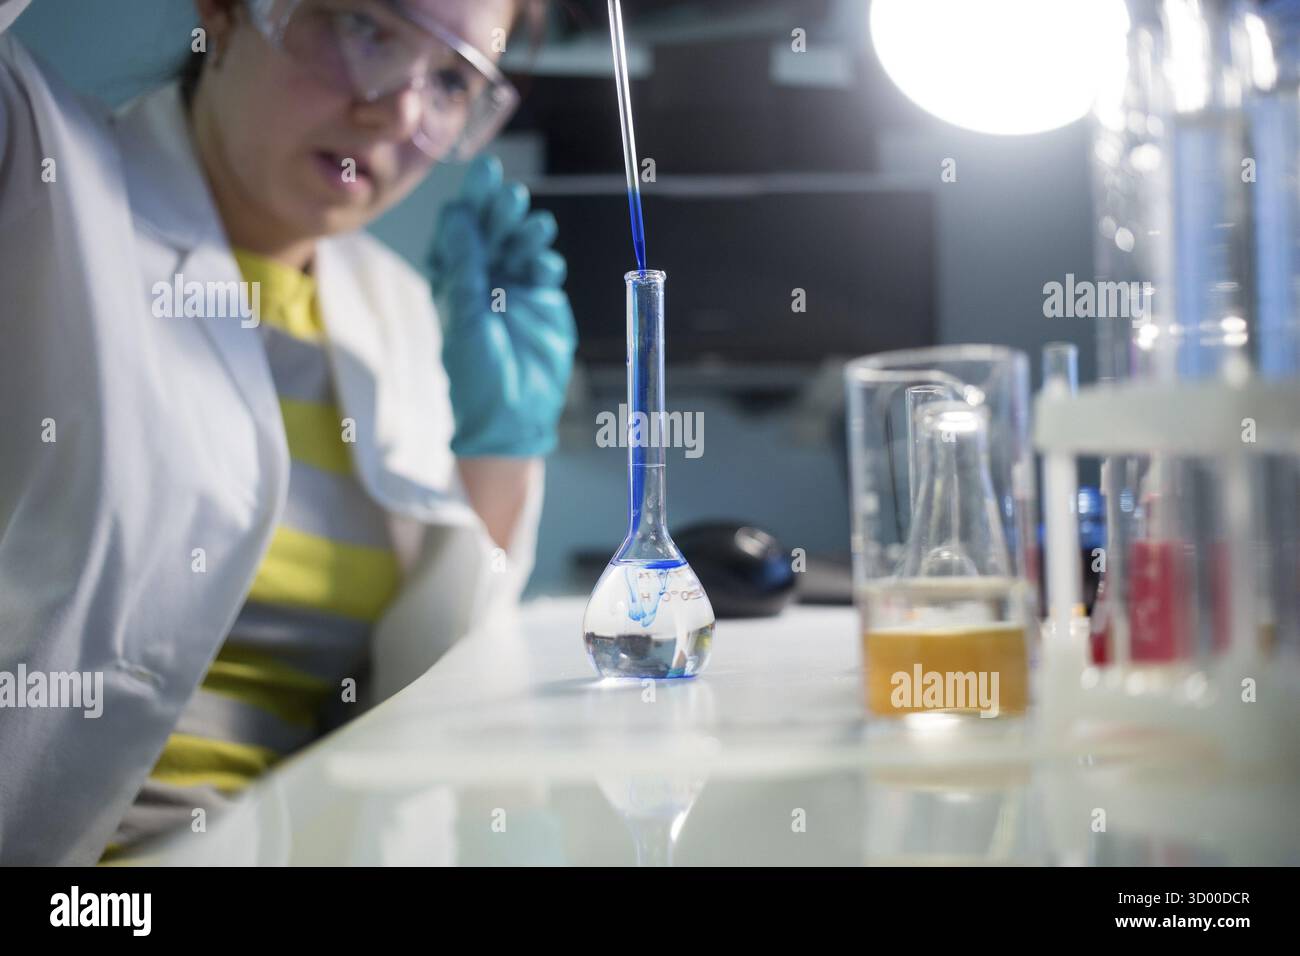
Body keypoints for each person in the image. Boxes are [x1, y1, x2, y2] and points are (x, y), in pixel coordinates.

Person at [0, 0, 576, 865]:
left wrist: (502, 453)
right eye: (368, 28)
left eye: (452, 79)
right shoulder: (39, 173)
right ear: (225, 14)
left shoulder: (404, 315)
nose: (399, 112)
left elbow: (444, 697)